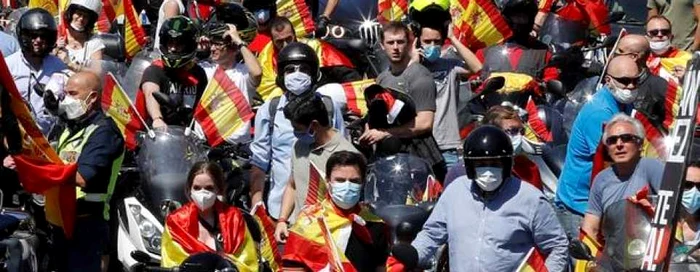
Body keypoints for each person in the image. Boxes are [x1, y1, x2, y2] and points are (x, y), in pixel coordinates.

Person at [410, 125, 568, 271]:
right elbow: (432, 234)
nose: (488, 171)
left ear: (506, 165)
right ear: (470, 167)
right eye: (481, 164)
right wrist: (412, 256)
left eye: (495, 163)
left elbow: (557, 246)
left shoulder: (530, 199)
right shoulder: (455, 191)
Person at [249, 42, 346, 221]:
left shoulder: (329, 106)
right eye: (291, 70)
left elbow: (344, 154)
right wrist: (257, 202)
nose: (297, 74)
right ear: (281, 75)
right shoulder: (269, 110)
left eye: (303, 69)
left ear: (314, 73)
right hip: (280, 213)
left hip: (324, 211)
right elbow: (259, 163)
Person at [555, 56, 640, 239]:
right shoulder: (600, 113)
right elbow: (614, 161)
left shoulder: (623, 103)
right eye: (625, 81)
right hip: (580, 206)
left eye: (636, 80)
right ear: (608, 80)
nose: (631, 86)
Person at [47, 71, 124, 271]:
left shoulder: (104, 132)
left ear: (93, 97)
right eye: (65, 94)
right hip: (61, 219)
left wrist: (44, 173)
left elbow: (82, 177)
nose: (66, 100)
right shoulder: (69, 127)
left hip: (88, 222)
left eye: (73, 94)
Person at [361, 21, 446, 181]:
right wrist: (368, 132)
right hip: (390, 162)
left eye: (400, 42)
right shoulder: (382, 78)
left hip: (420, 161)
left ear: (408, 44)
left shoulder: (420, 76)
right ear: (382, 45)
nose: (395, 47)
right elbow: (376, 116)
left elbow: (424, 123)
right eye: (390, 42)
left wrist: (385, 133)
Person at [282, 151, 388, 271]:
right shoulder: (308, 222)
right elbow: (292, 268)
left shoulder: (375, 224)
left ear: (363, 182)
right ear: (328, 181)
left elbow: (381, 266)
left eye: (354, 181)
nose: (347, 186)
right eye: (340, 180)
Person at [273, 95, 359, 243]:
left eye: (297, 129)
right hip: (299, 233)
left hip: (332, 239)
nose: (295, 133)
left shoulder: (347, 156)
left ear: (313, 125)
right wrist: (282, 220)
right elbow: (293, 185)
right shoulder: (299, 146)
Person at [160, 161, 259, 270]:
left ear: (218, 189)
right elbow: (170, 263)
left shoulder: (234, 219)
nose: (202, 194)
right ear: (189, 190)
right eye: (197, 188)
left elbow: (248, 263)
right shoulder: (176, 222)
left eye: (209, 188)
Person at [580, 113, 664, 240]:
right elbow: (590, 227)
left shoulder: (652, 167)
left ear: (640, 144)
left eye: (626, 138)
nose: (619, 144)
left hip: (649, 251)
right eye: (612, 141)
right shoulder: (601, 180)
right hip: (615, 254)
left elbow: (673, 213)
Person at [415, 21, 482, 168]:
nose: (432, 45)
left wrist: (453, 38)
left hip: (446, 146)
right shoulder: (411, 67)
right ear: (418, 41)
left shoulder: (449, 65)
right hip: (418, 147)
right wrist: (414, 62)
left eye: (437, 41)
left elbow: (477, 67)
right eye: (427, 41)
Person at [255, 16, 357, 101]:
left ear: (294, 34)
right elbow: (264, 91)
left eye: (288, 39)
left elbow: (348, 76)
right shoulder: (265, 61)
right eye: (279, 41)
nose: (285, 45)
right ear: (272, 41)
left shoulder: (316, 47)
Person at [444, 106, 544, 190]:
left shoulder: (530, 168)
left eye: (521, 131)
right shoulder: (461, 172)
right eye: (513, 131)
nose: (519, 136)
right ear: (493, 133)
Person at [196, 19, 261, 144]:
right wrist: (197, 49)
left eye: (218, 44)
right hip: (203, 142)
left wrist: (239, 42)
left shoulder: (243, 73)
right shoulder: (204, 68)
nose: (213, 48)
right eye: (212, 43)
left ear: (233, 48)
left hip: (234, 146)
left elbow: (257, 73)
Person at [4, 8, 67, 136]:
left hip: (49, 137)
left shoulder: (58, 66)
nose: (38, 40)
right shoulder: (9, 65)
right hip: (15, 134)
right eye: (33, 35)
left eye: (43, 36)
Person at [140, 16, 208, 130]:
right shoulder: (155, 70)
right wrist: (157, 119)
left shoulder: (198, 73)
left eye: (179, 44)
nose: (172, 49)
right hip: (159, 135)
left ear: (189, 45)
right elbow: (150, 93)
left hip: (188, 136)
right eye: (170, 43)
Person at [476, 0, 559, 82]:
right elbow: (474, 80)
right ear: (508, 19)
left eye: (523, 17)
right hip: (492, 95)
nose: (519, 21)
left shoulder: (544, 54)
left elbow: (551, 80)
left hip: (529, 95)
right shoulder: (485, 53)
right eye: (516, 17)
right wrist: (474, 83)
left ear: (530, 19)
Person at [55, 0, 104, 74]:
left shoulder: (95, 42)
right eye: (79, 14)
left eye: (86, 16)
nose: (81, 19)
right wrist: (54, 49)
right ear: (71, 14)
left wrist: (69, 64)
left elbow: (97, 72)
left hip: (82, 84)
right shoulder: (56, 35)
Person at [645, 15, 693, 85]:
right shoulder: (641, 59)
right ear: (646, 37)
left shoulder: (688, 60)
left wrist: (688, 79)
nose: (660, 35)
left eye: (665, 32)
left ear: (671, 36)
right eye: (654, 32)